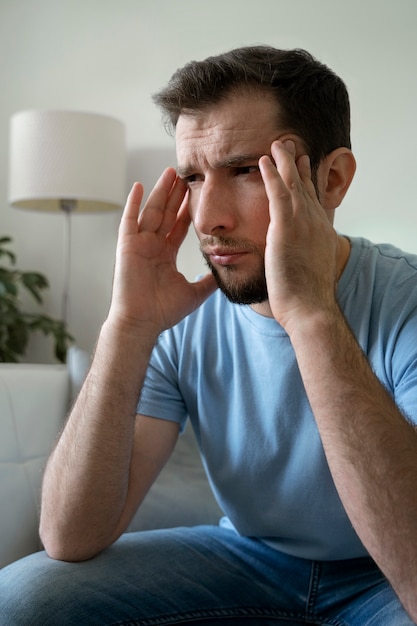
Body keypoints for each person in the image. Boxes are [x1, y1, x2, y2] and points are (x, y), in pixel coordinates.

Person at [0, 45, 416, 626]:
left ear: (333, 178)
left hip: (382, 577)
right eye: (194, 177)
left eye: (246, 170)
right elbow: (70, 537)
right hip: (246, 558)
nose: (207, 218)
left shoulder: (406, 300)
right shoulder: (183, 314)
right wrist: (128, 326)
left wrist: (311, 314)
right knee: (22, 599)